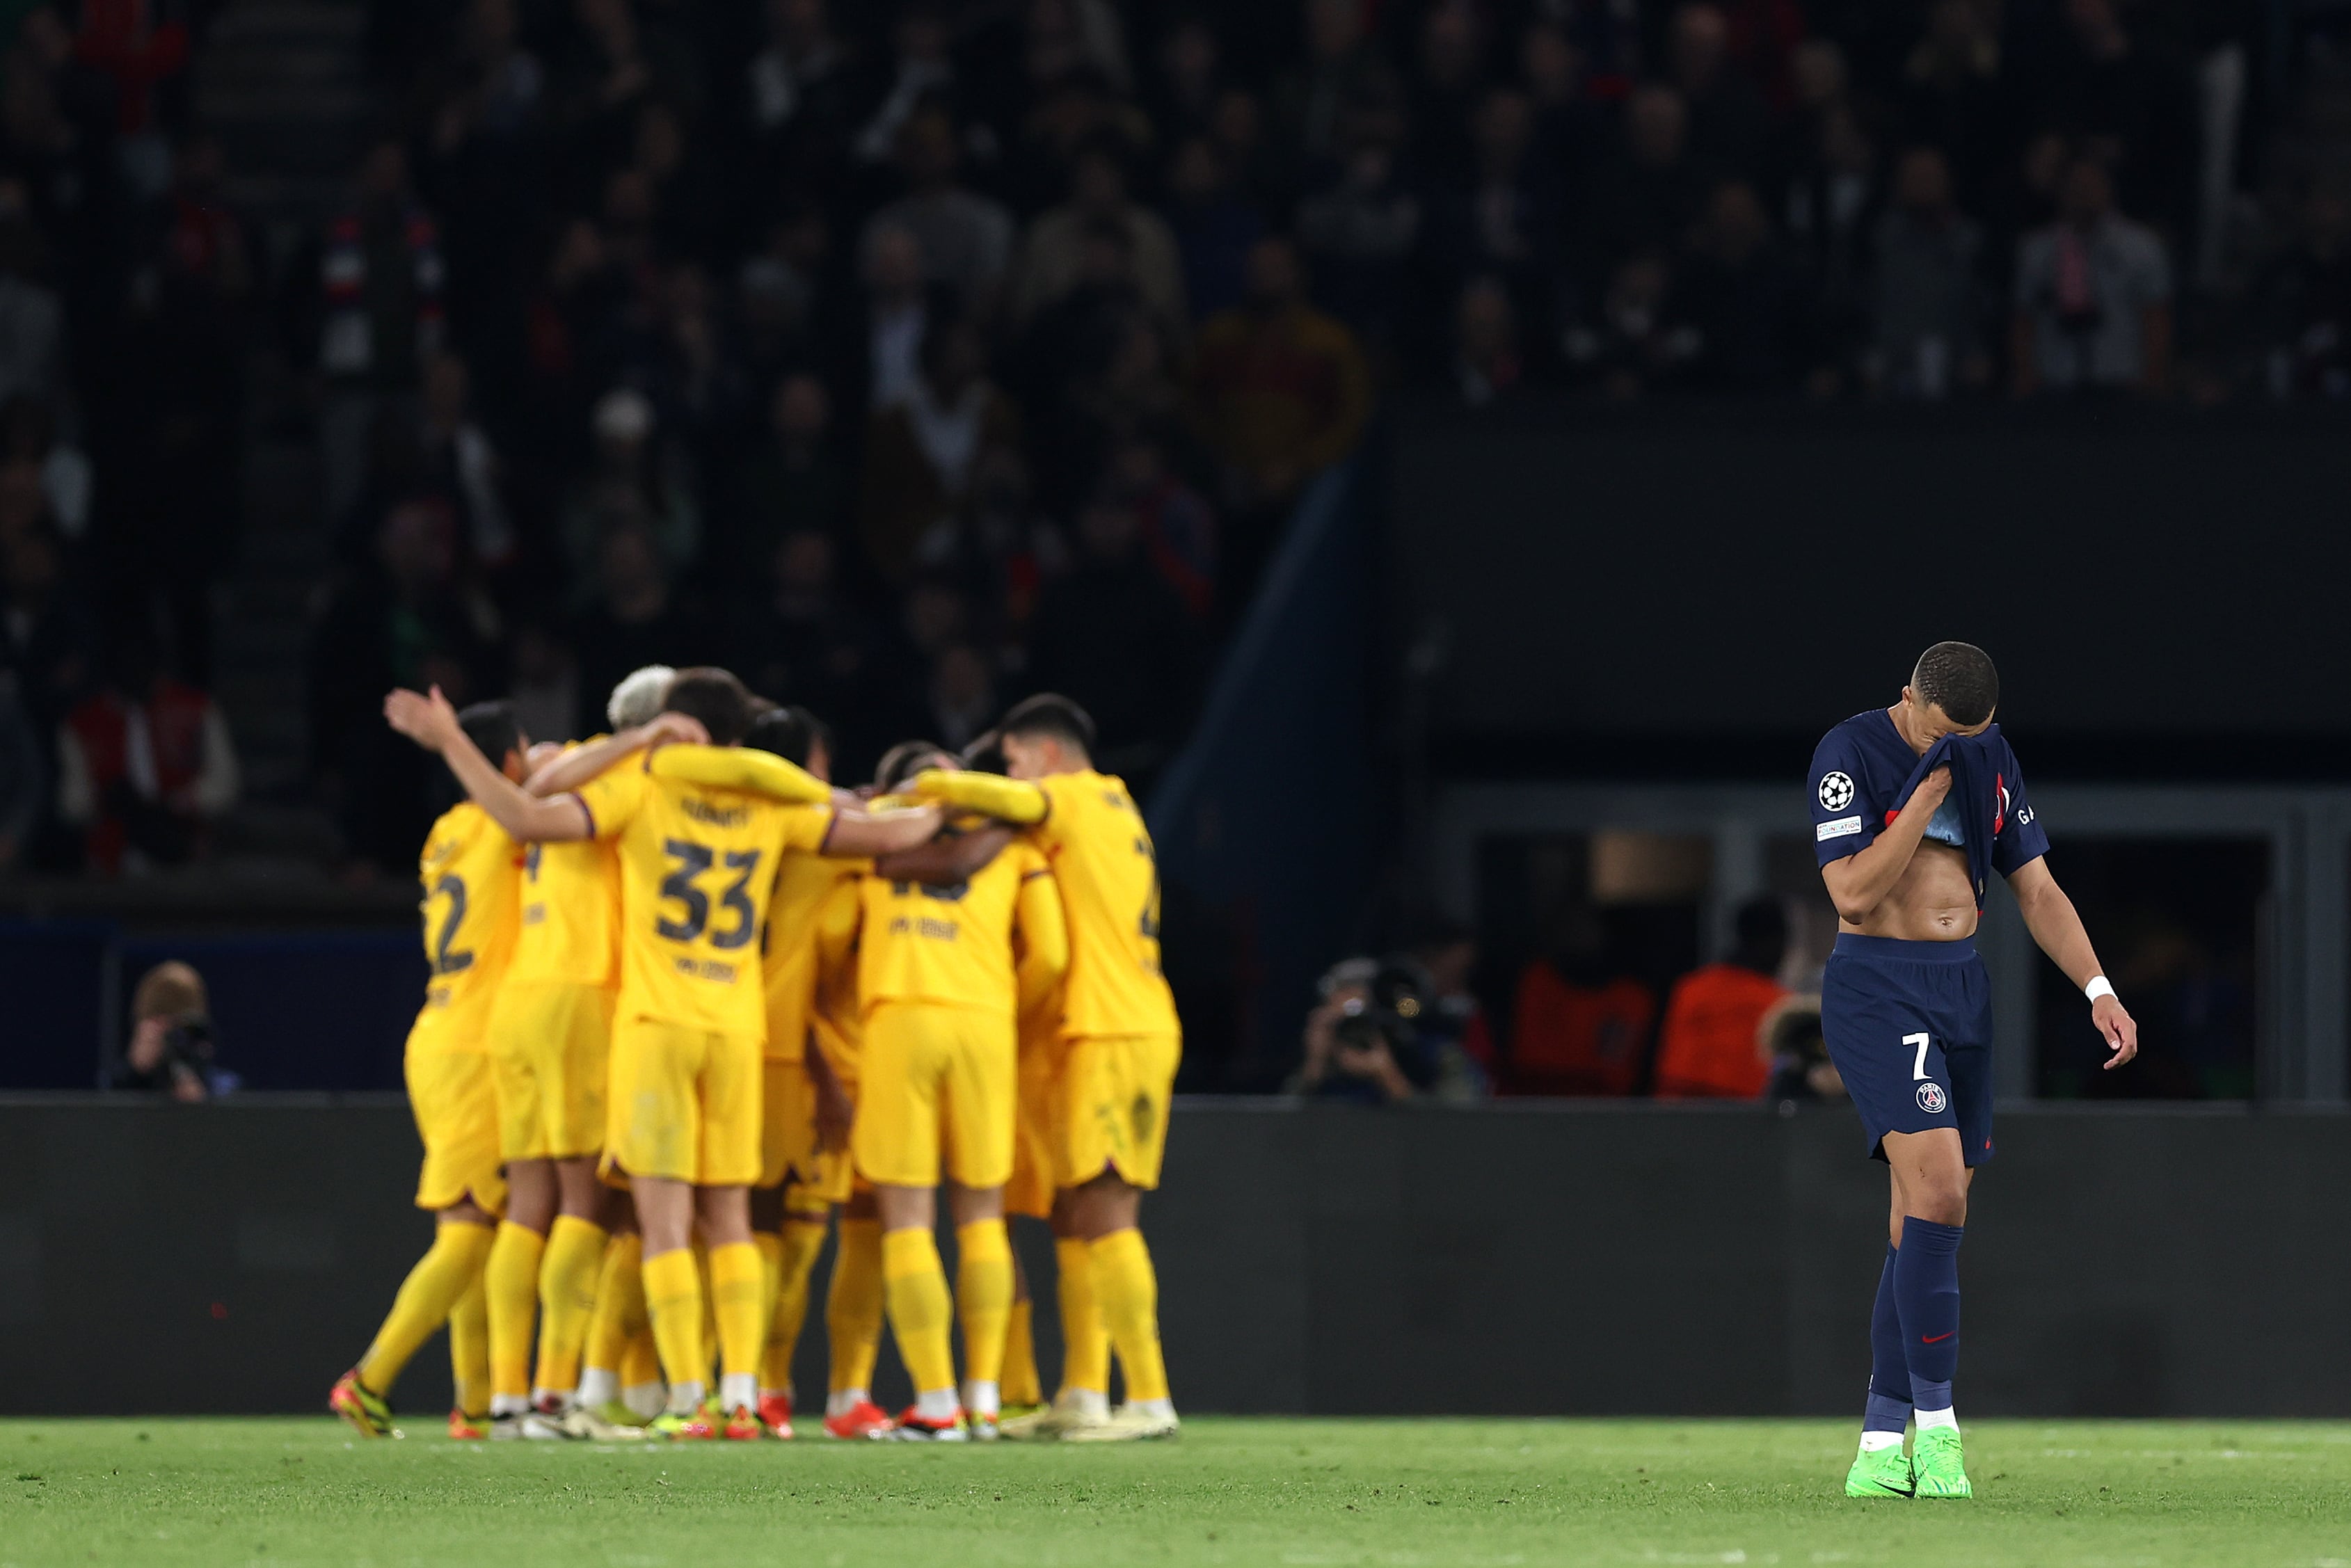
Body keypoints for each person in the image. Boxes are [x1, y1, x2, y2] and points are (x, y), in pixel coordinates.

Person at [383, 669, 942, 1440]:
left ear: (676, 724)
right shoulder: (767, 799)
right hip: (737, 1029)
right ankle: (740, 1396)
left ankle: (677, 1398)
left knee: (662, 1223)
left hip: (654, 1023)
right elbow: (889, 834)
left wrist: (448, 740)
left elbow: (525, 813)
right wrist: (947, 802)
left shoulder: (642, 784)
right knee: (730, 1221)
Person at [1809, 641, 2137, 1500]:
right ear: (1909, 698)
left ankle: (1880, 1449)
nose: (1956, 744)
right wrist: (1920, 800)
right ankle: (1941, 1431)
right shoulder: (1849, 753)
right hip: (1878, 985)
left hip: (1960, 986)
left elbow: (2035, 887)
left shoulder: (1987, 753)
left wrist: (2097, 986)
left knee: (1916, 1218)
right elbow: (1850, 892)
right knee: (1943, 1192)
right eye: (1946, 730)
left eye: (1974, 733)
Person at [904, 693, 1181, 1441]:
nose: (1015, 774)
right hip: (1111, 1023)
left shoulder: (1072, 797)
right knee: (1076, 1212)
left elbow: (994, 796)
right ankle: (1086, 1392)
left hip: (1112, 1026)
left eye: (1018, 758)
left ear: (1048, 755)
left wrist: (928, 780)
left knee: (1106, 1207)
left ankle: (1150, 1398)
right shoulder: (1114, 808)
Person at [474, 701, 709, 1440]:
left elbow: (538, 778)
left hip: (522, 997)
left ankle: (514, 1395)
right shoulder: (631, 772)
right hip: (587, 991)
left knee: (531, 1206)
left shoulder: (559, 766)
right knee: (595, 1205)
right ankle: (552, 1393)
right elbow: (544, 786)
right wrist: (643, 742)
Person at [845, 739, 1067, 1439]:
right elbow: (1054, 955)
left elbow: (827, 933)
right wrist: (1004, 1006)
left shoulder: (871, 844)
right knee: (980, 1219)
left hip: (898, 1019)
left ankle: (935, 1402)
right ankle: (985, 1398)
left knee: (907, 1220)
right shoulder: (1015, 851)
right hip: (982, 1025)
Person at [329, 701, 524, 1442]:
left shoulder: (446, 832)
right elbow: (534, 814)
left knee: (473, 1222)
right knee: (472, 1233)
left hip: (439, 1031)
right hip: (476, 1041)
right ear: (507, 762)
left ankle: (473, 1407)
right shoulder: (505, 823)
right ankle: (371, 1378)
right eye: (528, 751)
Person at [1653, 897, 1791, 1099]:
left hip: (1679, 1116)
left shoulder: (1691, 989)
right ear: (1776, 942)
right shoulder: (1779, 1004)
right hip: (1745, 1120)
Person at [109, 961, 228, 1102]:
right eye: (159, 1021)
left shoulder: (223, 1086)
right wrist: (134, 1071)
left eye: (179, 1025)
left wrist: (201, 1102)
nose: (172, 1034)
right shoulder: (118, 1081)